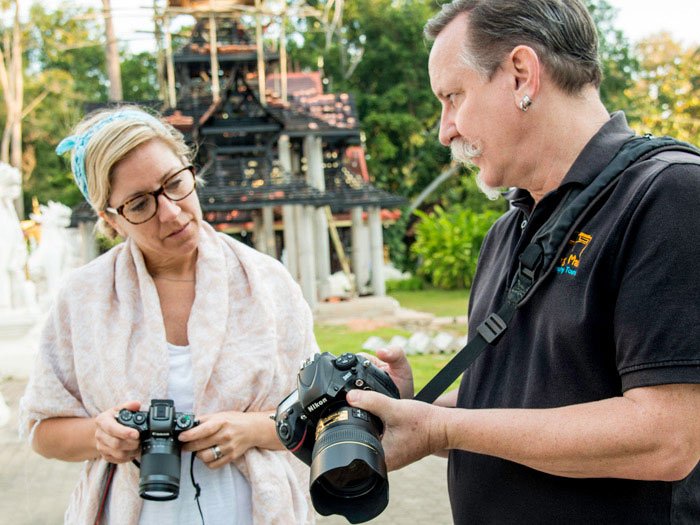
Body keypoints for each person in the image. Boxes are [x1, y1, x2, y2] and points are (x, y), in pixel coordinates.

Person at [346, 1, 700, 523]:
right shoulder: (508, 230)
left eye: (452, 97)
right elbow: (526, 409)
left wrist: (443, 429)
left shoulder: (669, 194)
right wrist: (411, 413)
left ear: (520, 75)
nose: (446, 130)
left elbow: (668, 438)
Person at [19, 106, 316, 524]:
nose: (171, 212)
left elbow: (318, 413)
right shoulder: (83, 298)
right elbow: (42, 429)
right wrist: (99, 435)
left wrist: (250, 429)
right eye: (140, 204)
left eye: (175, 183)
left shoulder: (268, 283)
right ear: (110, 219)